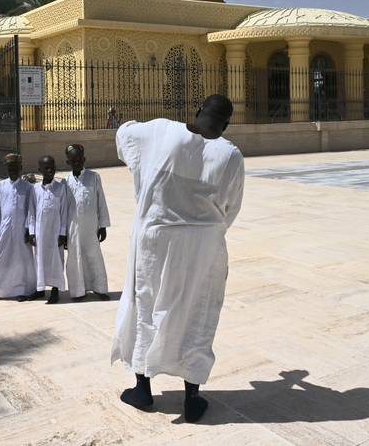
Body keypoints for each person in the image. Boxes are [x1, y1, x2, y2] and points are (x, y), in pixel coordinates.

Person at [112, 94, 245, 423]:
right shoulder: (230, 154)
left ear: (198, 109)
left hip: (155, 242)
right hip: (203, 247)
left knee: (145, 306)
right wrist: (206, 233)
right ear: (227, 124)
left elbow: (125, 135)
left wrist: (117, 121)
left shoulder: (161, 130)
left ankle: (142, 389)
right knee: (197, 314)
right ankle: (192, 398)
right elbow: (231, 207)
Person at [0, 153, 37, 303]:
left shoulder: (27, 187)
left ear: (20, 168)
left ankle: (23, 289)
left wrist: (29, 229)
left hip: (21, 231)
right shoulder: (0, 186)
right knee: (0, 257)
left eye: (15, 167)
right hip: (4, 229)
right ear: (6, 168)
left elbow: (31, 210)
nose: (12, 170)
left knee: (21, 259)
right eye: (9, 168)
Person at [64, 144, 111, 301]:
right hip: (73, 228)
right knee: (75, 258)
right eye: (73, 160)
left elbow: (101, 201)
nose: (77, 162)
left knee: (94, 256)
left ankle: (100, 288)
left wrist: (103, 225)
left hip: (91, 228)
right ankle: (78, 291)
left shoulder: (94, 177)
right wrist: (63, 233)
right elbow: (63, 209)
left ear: (84, 159)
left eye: (79, 159)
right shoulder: (66, 182)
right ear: (68, 162)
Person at [27, 155, 68, 304]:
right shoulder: (35, 189)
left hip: (55, 232)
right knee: (40, 259)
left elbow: (64, 212)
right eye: (46, 168)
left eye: (52, 167)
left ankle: (55, 290)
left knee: (56, 260)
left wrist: (63, 233)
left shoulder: (60, 188)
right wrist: (31, 231)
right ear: (40, 170)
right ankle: (40, 289)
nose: (50, 170)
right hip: (40, 232)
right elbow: (31, 212)